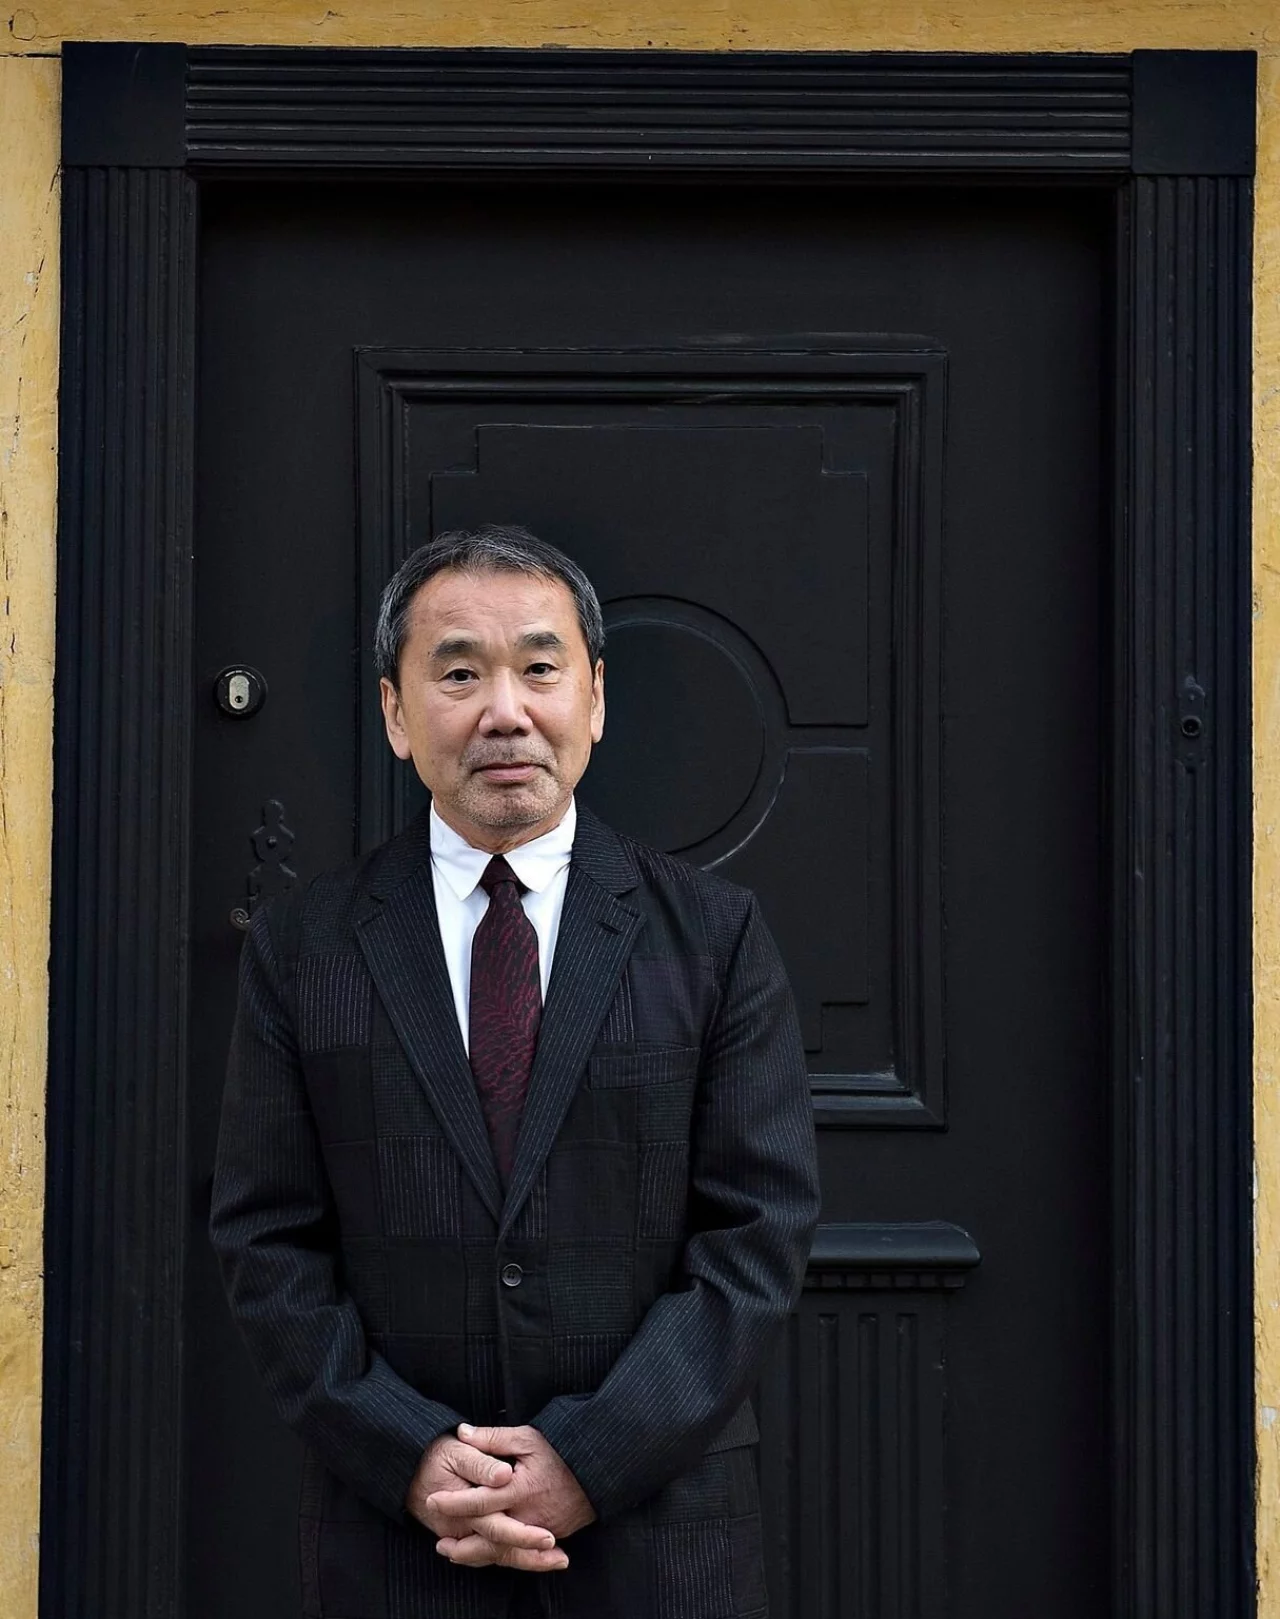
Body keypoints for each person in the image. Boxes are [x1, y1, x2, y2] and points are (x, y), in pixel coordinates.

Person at [210, 523, 821, 1619]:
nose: (504, 711)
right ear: (395, 712)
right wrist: (408, 1452)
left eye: (539, 668)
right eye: (458, 673)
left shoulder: (714, 936)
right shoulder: (306, 948)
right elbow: (267, 1237)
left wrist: (590, 1457)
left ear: (595, 696)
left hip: (660, 1542)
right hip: (398, 1545)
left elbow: (756, 1231)